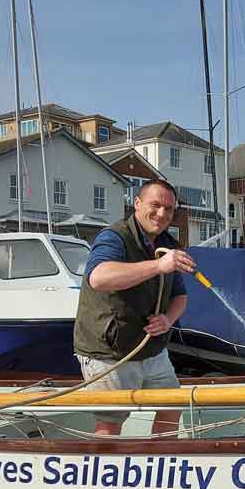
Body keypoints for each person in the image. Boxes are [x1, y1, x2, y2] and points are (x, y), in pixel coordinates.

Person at [73, 179, 196, 435]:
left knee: (173, 405)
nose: (162, 214)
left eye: (169, 209)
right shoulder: (114, 237)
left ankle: (159, 463)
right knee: (110, 422)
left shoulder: (168, 244)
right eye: (155, 205)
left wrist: (168, 320)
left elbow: (180, 296)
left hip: (152, 350)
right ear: (137, 204)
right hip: (110, 352)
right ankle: (106, 472)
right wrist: (159, 266)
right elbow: (98, 277)